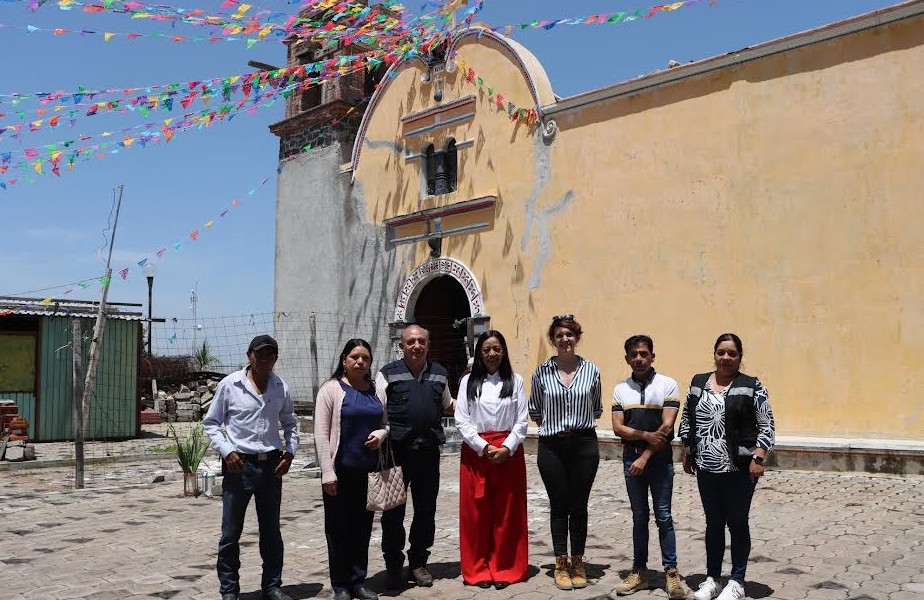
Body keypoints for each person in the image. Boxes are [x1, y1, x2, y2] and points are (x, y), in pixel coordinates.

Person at [678, 333, 776, 600]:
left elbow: (767, 425)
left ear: (740, 357)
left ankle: (737, 581)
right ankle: (712, 579)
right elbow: (688, 417)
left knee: (737, 523)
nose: (726, 358)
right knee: (713, 523)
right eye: (721, 352)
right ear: (714, 353)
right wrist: (687, 450)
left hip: (740, 469)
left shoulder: (752, 386)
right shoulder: (699, 383)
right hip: (706, 468)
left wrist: (758, 458)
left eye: (732, 353)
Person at [202, 334, 299, 600]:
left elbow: (291, 423)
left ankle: (272, 586)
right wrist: (227, 451)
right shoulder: (230, 385)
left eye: (270, 354)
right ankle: (230, 590)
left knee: (271, 531)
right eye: (260, 353)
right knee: (231, 533)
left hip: (271, 467)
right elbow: (211, 423)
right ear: (250, 355)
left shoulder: (281, 387)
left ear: (275, 358)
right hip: (238, 467)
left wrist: (289, 454)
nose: (265, 358)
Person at [375, 324, 453, 590]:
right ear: (402, 346)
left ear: (427, 345)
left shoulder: (440, 374)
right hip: (396, 454)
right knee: (393, 513)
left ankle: (418, 563)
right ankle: (394, 566)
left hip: (429, 454)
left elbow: (450, 406)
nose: (416, 346)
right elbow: (378, 411)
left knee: (425, 512)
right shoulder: (387, 374)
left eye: (421, 341)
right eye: (411, 342)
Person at [528, 314, 602, 590]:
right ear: (553, 339)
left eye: (569, 334)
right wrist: (556, 426)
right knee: (559, 505)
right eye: (559, 335)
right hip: (552, 446)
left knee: (579, 505)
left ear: (577, 338)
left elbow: (596, 408)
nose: (565, 339)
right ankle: (560, 562)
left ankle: (578, 561)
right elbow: (535, 408)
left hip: (584, 444)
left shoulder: (592, 371)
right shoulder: (542, 372)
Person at [611, 335, 686, 599]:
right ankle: (639, 572)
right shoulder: (621, 389)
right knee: (639, 518)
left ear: (653, 356)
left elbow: (666, 427)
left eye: (644, 353)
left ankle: (672, 574)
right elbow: (617, 427)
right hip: (631, 460)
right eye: (634, 354)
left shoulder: (668, 384)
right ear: (627, 358)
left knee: (663, 516)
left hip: (659, 461)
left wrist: (646, 456)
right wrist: (644, 437)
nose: (639, 358)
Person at [454, 330, 529, 590]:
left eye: (497, 348)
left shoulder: (515, 381)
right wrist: (483, 447)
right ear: (479, 353)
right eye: (486, 349)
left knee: (507, 514)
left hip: (509, 454)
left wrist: (507, 448)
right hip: (477, 454)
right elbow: (461, 419)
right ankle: (478, 568)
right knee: (476, 514)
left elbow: (522, 420)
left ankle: (506, 567)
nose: (492, 354)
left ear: (504, 351)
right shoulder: (467, 382)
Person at [315, 339, 388, 600]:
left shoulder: (376, 390)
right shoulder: (331, 389)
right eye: (355, 357)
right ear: (344, 360)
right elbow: (321, 434)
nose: (360, 362)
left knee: (362, 529)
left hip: (367, 473)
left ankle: (358, 582)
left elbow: (385, 423)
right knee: (337, 530)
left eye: (365, 358)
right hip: (340, 472)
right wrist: (327, 472)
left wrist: (381, 434)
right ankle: (341, 586)